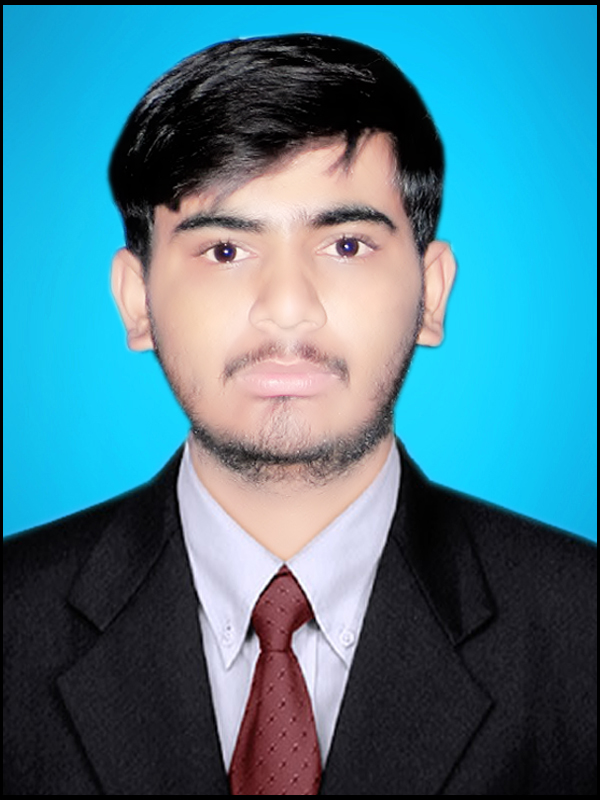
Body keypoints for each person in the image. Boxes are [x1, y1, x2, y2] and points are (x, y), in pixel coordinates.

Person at [3, 33, 595, 796]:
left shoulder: (583, 627)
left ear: (433, 294)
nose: (287, 308)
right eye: (225, 251)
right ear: (136, 301)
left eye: (346, 245)